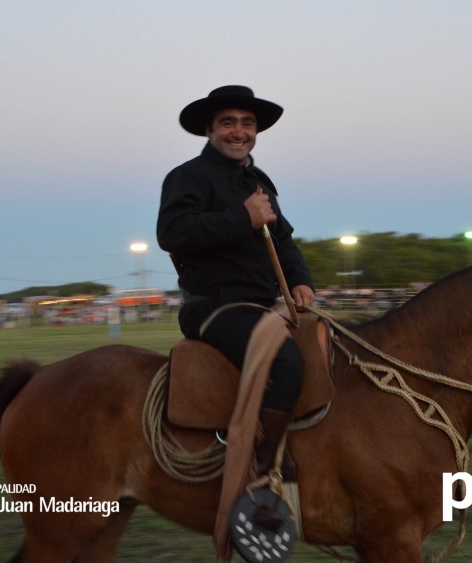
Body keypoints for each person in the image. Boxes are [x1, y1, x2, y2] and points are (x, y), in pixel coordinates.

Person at [157, 85, 314, 525]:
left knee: (328, 343)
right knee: (283, 363)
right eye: (228, 122)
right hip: (214, 307)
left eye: (247, 123)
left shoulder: (259, 183)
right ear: (209, 129)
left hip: (264, 304)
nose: (238, 131)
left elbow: (283, 240)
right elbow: (173, 233)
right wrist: (242, 217)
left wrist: (301, 280)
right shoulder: (187, 177)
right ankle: (259, 476)